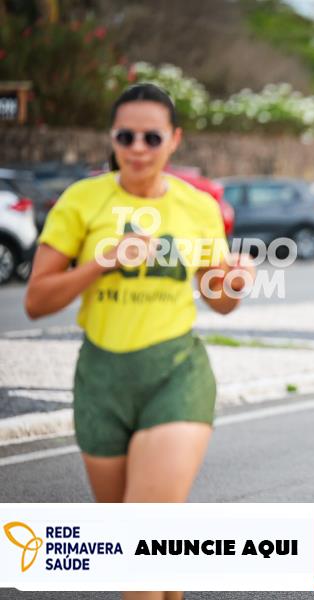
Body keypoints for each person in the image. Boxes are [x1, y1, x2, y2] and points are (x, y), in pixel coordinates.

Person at [24, 83, 253, 600]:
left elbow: (218, 300)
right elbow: (36, 301)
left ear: (174, 139)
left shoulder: (198, 207)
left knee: (139, 545)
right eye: (126, 136)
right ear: (112, 138)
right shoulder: (82, 200)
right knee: (146, 553)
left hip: (174, 373)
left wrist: (235, 282)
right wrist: (103, 261)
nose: (138, 148)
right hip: (101, 379)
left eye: (152, 137)